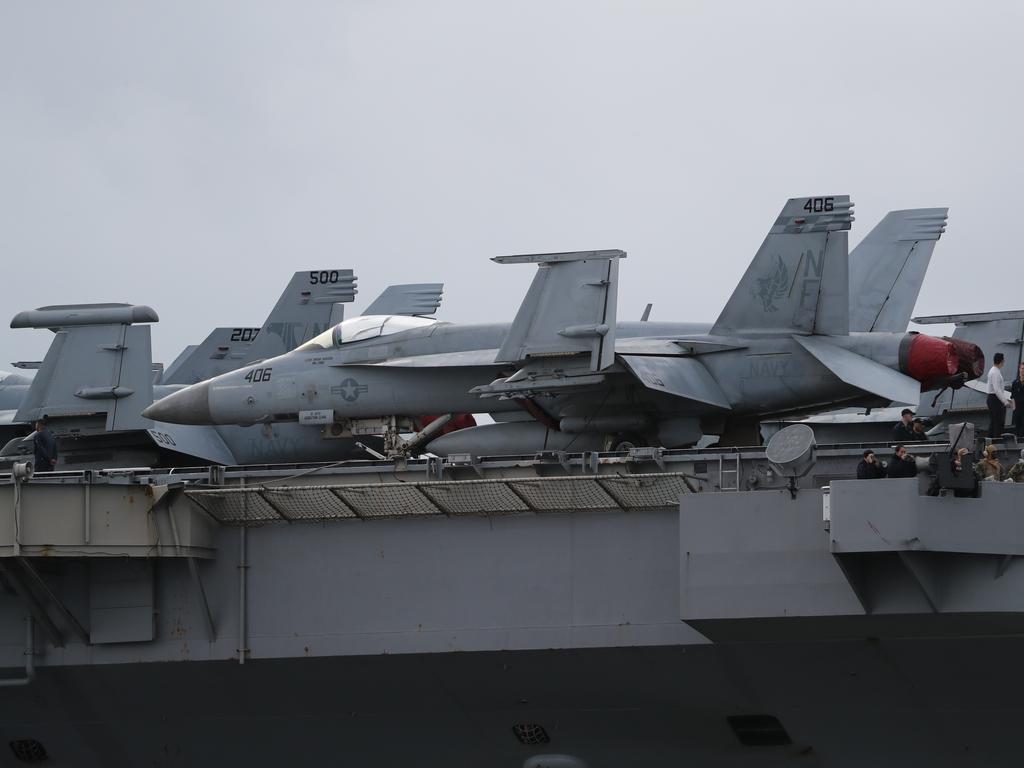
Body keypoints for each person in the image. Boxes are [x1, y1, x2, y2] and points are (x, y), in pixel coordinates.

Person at [986, 352, 1014, 438]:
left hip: (993, 398)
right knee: (998, 422)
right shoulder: (995, 372)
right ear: (1001, 361)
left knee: (994, 421)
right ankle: (996, 441)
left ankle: (991, 441)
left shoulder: (994, 371)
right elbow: (997, 389)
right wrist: (1005, 402)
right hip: (995, 399)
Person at [1011, 362, 1024, 439]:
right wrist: (1014, 408)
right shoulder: (1015, 383)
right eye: (1022, 369)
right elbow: (1012, 397)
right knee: (1018, 427)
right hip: (1018, 409)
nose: (1023, 371)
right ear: (1019, 369)